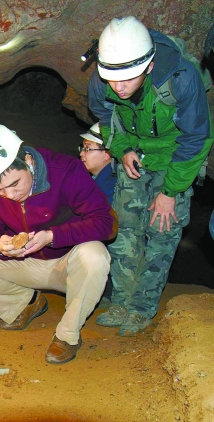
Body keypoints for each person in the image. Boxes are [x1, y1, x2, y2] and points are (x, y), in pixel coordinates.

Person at [87, 16, 214, 336]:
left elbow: (196, 138)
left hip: (174, 160)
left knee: (161, 232)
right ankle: (121, 300)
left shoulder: (182, 79)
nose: (118, 87)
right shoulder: (103, 79)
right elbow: (104, 116)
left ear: (149, 65)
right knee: (125, 231)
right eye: (113, 79)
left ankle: (142, 307)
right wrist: (122, 149)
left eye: (127, 79)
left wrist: (170, 192)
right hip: (135, 157)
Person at [0, 123, 118, 364]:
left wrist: (53, 236)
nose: (10, 195)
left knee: (95, 255)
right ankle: (25, 305)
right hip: (25, 264)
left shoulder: (65, 171)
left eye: (14, 184)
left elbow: (105, 223)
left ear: (28, 161)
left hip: (68, 263)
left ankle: (67, 335)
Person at [79, 122, 118, 305]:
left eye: (88, 149)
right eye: (82, 148)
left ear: (107, 154)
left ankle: (108, 291)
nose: (81, 153)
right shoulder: (97, 181)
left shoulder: (113, 184)